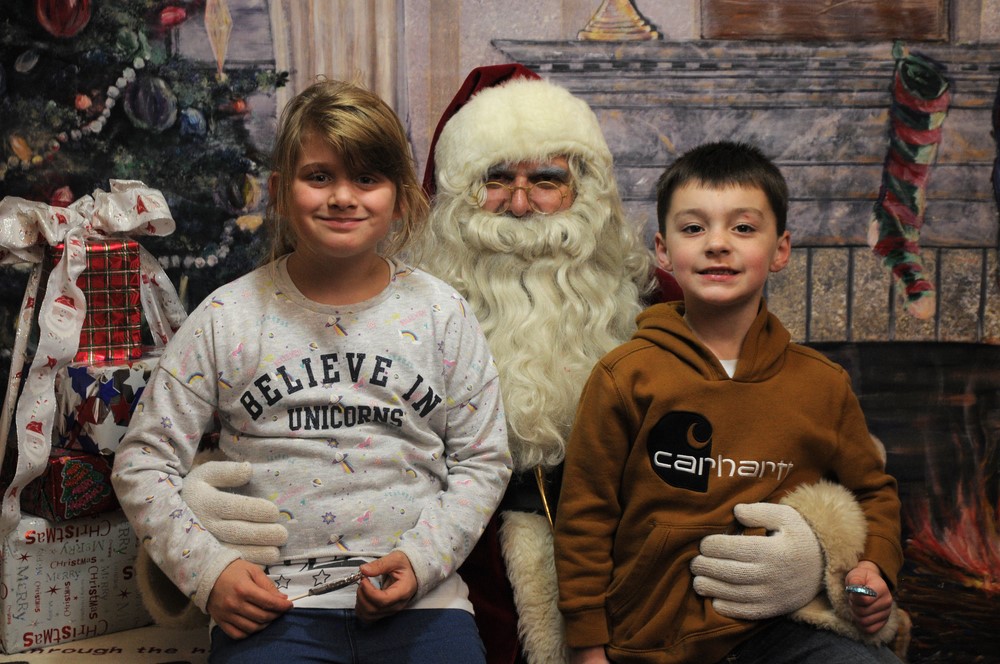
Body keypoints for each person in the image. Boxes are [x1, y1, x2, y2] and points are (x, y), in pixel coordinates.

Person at [162, 69, 876, 664]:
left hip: (644, 587)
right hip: (442, 575)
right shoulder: (400, 300)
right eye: (497, 178)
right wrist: (204, 518)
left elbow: (798, 433)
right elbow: (287, 431)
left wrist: (821, 548)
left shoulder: (665, 301)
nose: (524, 204)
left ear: (585, 190)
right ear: (454, 195)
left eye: (548, 179)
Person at [111, 78, 512, 664]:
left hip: (421, 603)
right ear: (279, 192)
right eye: (319, 176)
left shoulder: (442, 313)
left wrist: (424, 560)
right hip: (272, 604)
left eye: (367, 179)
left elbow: (484, 458)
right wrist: (209, 572)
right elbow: (142, 460)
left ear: (401, 198)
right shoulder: (226, 316)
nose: (343, 197)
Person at [552, 141, 905, 664]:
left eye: (742, 227)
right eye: (694, 228)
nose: (718, 244)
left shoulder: (822, 384)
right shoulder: (624, 376)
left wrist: (873, 568)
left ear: (780, 250)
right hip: (652, 639)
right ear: (663, 251)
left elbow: (874, 492)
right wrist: (588, 647)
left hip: (784, 629)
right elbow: (586, 518)